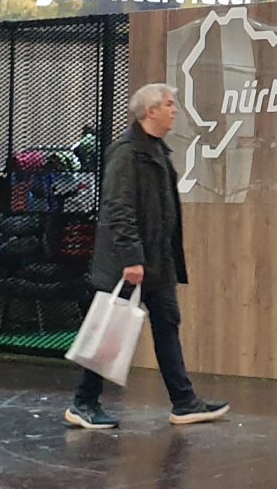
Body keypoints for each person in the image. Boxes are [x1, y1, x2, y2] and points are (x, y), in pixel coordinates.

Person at [65, 83, 228, 431]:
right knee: (110, 331)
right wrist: (131, 258)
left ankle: (184, 402)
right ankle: (83, 403)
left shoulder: (156, 151)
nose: (174, 110)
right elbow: (118, 208)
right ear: (150, 111)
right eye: (168, 104)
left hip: (157, 263)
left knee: (167, 324)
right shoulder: (126, 154)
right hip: (130, 264)